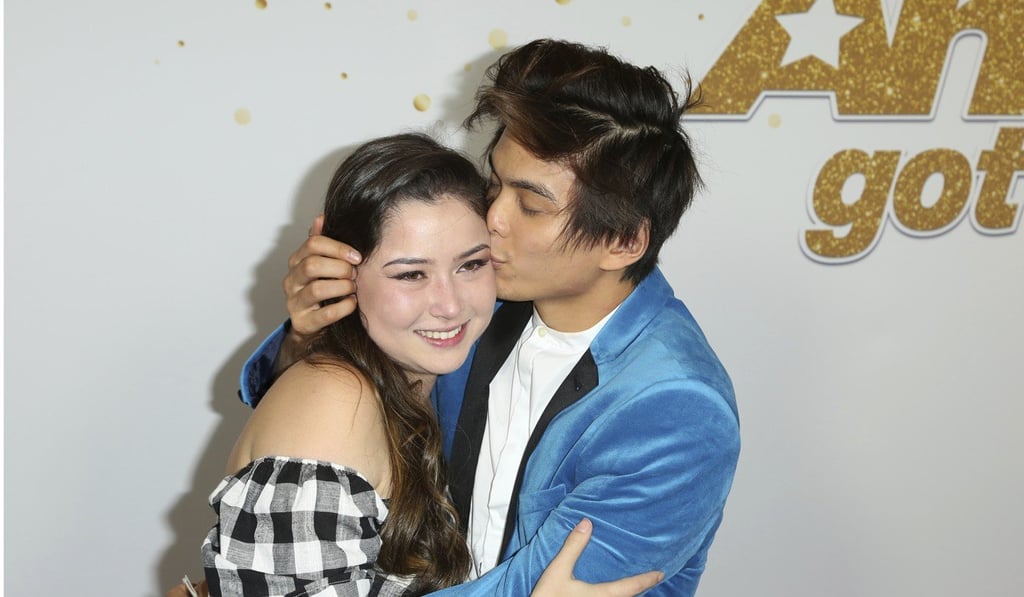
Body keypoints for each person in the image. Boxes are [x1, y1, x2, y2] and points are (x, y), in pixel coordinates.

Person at [244, 39, 740, 596]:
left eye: (531, 206)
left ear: (624, 241)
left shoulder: (676, 407)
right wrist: (314, 328)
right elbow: (330, 426)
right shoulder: (474, 299)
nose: (492, 218)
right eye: (495, 183)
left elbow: (531, 588)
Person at [186, 133, 661, 597]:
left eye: (471, 265)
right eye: (411, 274)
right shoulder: (335, 404)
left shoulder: (423, 373)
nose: (449, 305)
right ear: (338, 275)